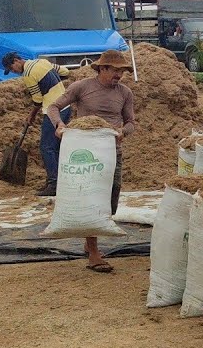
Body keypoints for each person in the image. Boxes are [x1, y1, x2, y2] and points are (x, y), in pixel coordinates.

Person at [47, 50, 137, 274]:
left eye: (122, 71)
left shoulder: (125, 93)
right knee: (92, 198)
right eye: (115, 70)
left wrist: (122, 132)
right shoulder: (82, 87)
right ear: (102, 68)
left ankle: (90, 240)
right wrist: (59, 125)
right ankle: (94, 252)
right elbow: (53, 107)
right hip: (86, 152)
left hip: (112, 151)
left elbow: (131, 122)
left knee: (111, 200)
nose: (119, 75)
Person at [2, 52, 71, 196]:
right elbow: (65, 72)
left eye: (12, 67)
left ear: (16, 60)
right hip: (66, 107)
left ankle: (54, 184)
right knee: (56, 148)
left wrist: (31, 115)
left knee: (46, 147)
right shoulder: (42, 62)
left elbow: (38, 99)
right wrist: (53, 85)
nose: (13, 71)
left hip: (52, 110)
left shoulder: (28, 74)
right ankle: (61, 182)